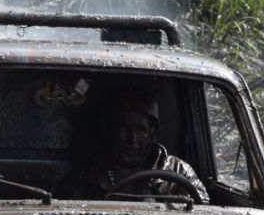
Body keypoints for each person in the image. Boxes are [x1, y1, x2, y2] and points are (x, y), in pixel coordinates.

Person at [58, 86, 210, 203]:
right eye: (124, 128)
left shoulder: (178, 171)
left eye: (141, 130)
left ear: (152, 133)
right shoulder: (88, 176)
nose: (132, 138)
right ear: (109, 129)